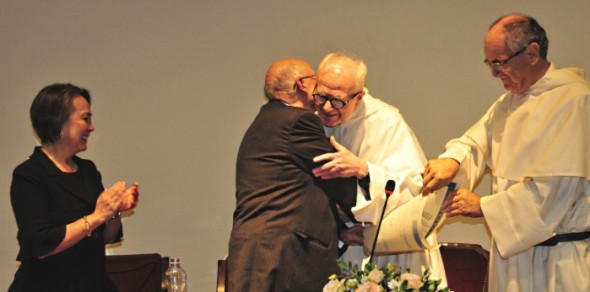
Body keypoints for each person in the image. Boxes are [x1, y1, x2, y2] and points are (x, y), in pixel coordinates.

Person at [422, 13, 590, 292]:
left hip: (558, 264)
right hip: (512, 262)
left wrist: (484, 206)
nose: (494, 73)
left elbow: (554, 193)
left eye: (499, 62)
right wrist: (451, 161)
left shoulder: (574, 101)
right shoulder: (508, 103)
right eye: (490, 63)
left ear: (532, 53)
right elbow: (473, 145)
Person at [312, 52, 447, 284]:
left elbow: (415, 189)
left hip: (392, 253)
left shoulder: (386, 122)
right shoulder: (311, 122)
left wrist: (364, 170)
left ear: (359, 96)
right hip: (348, 248)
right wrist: (339, 232)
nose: (326, 107)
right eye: (320, 95)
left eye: (337, 100)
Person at [227, 59, 358, 291]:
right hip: (284, 256)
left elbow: (293, 192)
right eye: (316, 80)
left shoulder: (264, 121)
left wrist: (339, 230)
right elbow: (337, 176)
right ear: (302, 85)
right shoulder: (298, 121)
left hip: (257, 253)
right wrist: (374, 189)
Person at [8, 83, 139, 292]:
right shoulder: (29, 175)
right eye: (85, 118)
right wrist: (97, 216)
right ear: (59, 122)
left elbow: (103, 237)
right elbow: (41, 245)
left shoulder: (88, 170)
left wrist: (114, 212)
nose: (91, 127)